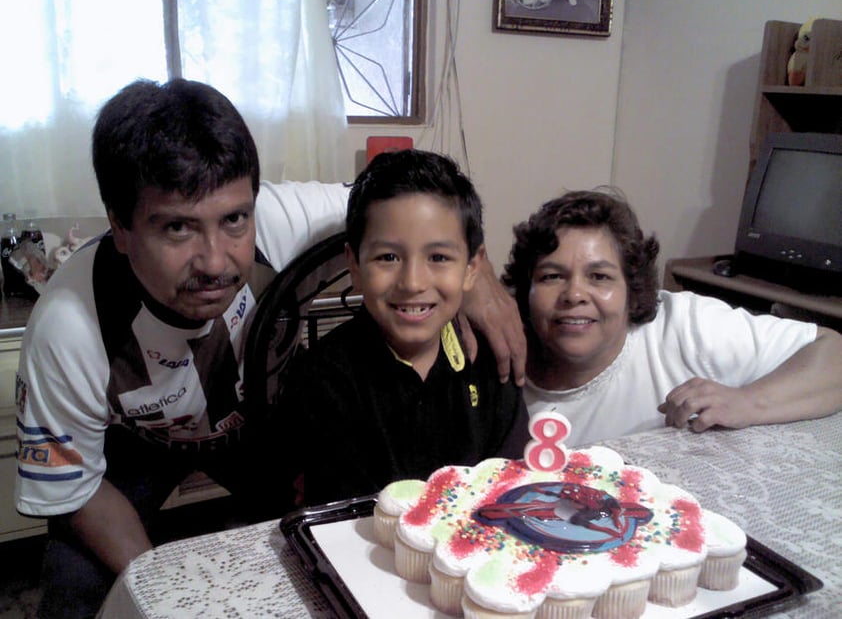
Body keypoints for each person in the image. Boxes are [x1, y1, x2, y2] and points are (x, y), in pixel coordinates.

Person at [13, 79, 525, 619]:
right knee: (76, 581)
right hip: (134, 447)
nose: (215, 261)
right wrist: (158, 594)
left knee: (306, 560)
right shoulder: (69, 325)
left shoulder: (291, 218)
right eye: (177, 228)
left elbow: (414, 208)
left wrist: (481, 280)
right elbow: (75, 491)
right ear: (119, 226)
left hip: (260, 428)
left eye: (234, 219)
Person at [502, 188, 842, 448]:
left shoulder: (687, 327)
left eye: (600, 277)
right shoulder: (497, 367)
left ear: (632, 289)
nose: (574, 294)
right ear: (525, 290)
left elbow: (833, 352)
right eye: (551, 276)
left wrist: (749, 401)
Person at [282, 149, 529, 506]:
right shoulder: (323, 377)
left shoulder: (492, 361)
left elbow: (510, 487)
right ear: (354, 264)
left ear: (472, 267)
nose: (413, 282)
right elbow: (345, 515)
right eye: (388, 257)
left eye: (439, 258)